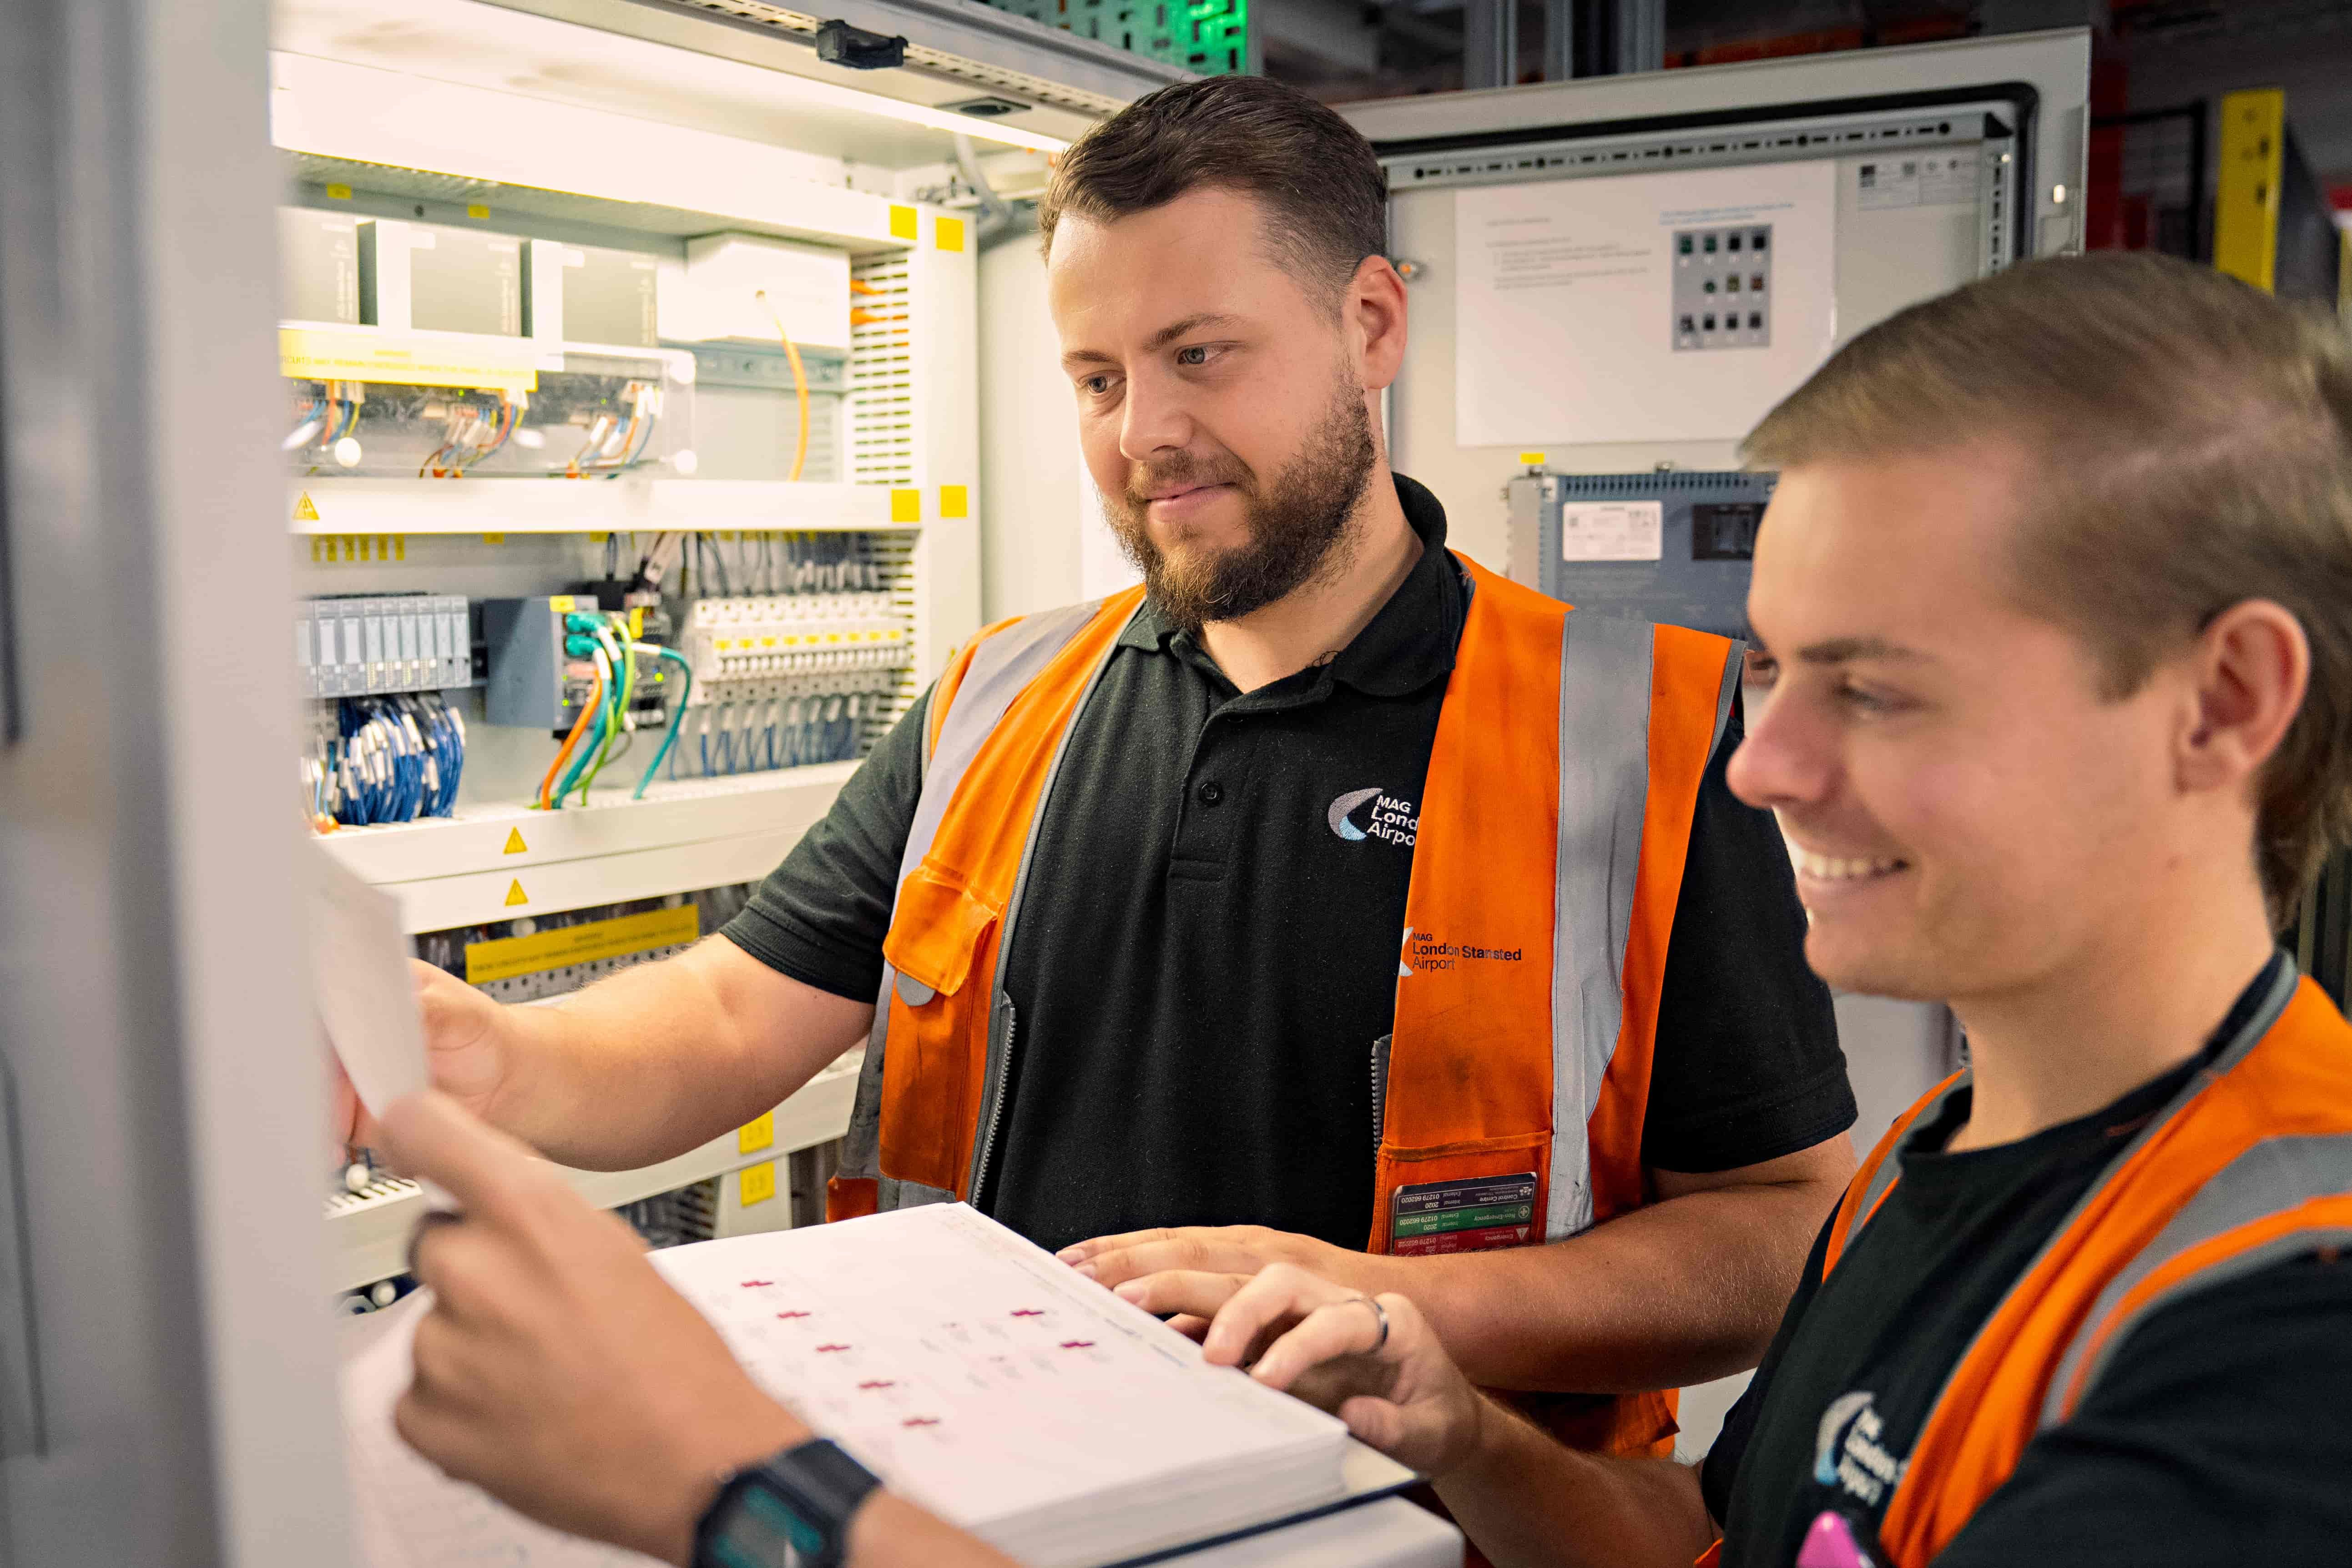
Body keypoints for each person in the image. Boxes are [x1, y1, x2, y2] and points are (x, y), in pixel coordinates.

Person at [377, 251, 2352, 1567]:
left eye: (1879, 687)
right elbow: (1716, 1548)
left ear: (2229, 703)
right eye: (1774, 672)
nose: (1769, 764)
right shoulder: (1963, 1160)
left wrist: (750, 1498)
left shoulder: (2281, 1339)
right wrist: (1473, 1434)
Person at [348, 71, 1855, 1459]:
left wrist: (1395, 1310)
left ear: (1371, 326)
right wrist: (495, 1060)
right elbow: (734, 1010)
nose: (1147, 433)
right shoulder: (999, 700)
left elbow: (1777, 1230)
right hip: (999, 1506)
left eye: (1199, 355)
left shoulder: (1645, 725)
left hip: (1440, 1535)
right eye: (1094, 379)